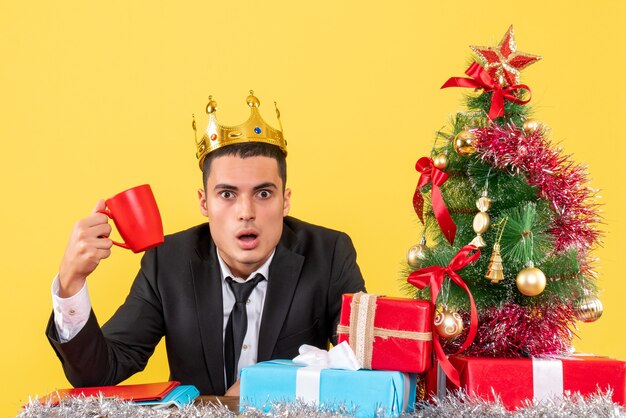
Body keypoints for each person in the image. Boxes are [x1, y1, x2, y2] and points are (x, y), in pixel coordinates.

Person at [46, 91, 366, 396]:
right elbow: (98, 373)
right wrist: (71, 283)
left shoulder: (330, 254)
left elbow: (360, 362)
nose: (246, 213)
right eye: (227, 194)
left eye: (264, 193)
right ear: (204, 203)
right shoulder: (166, 262)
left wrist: (277, 382)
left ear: (286, 201)